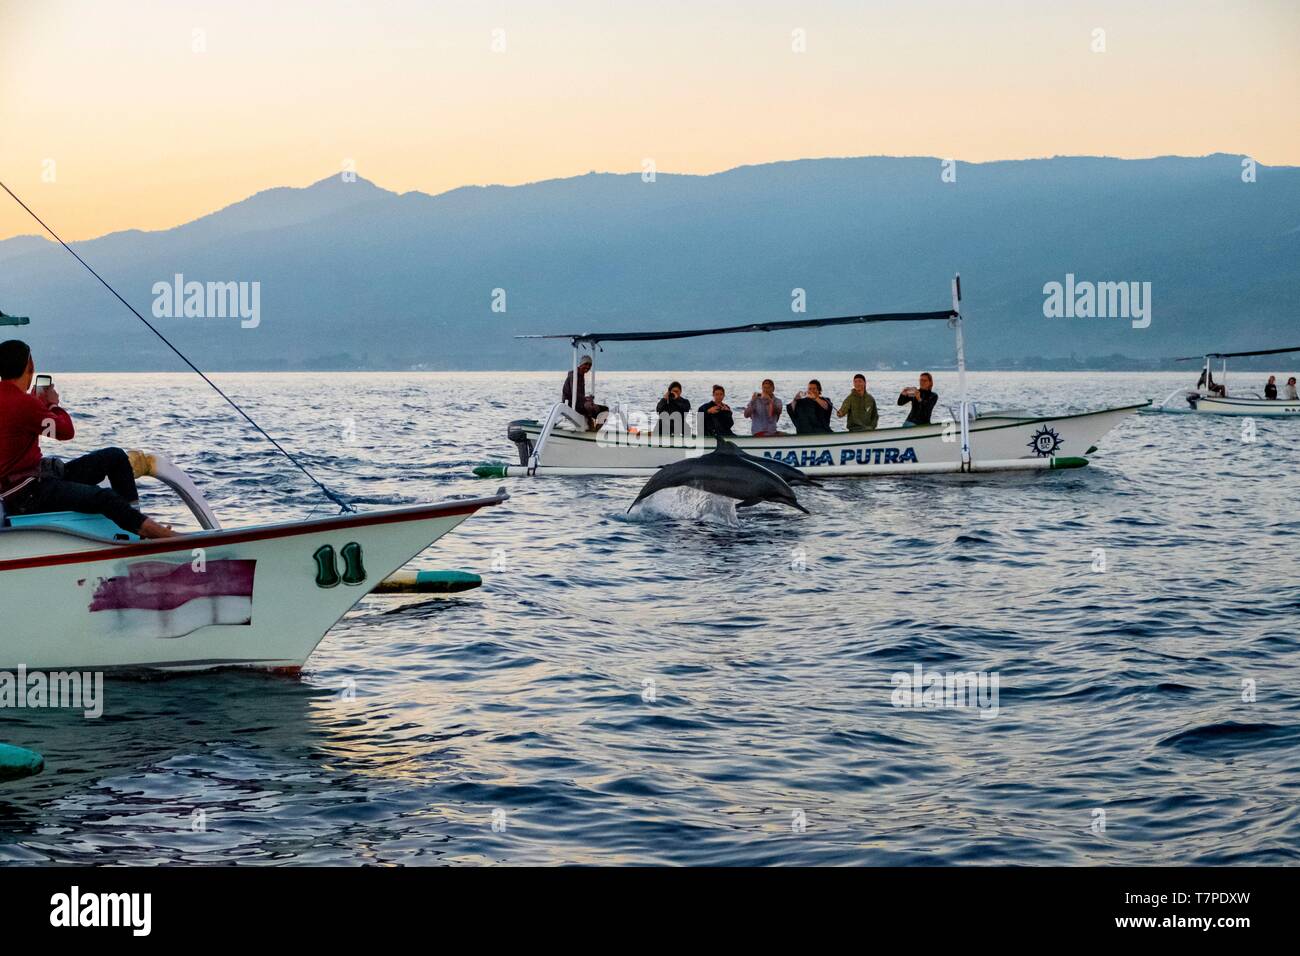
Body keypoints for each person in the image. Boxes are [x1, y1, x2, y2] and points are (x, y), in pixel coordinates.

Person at [0, 340, 177, 538]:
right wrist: (52, 406)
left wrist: (39, 407)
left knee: (115, 457)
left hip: (28, 485)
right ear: (29, 367)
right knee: (104, 498)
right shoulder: (25, 403)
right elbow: (65, 432)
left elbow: (37, 429)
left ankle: (137, 525)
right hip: (28, 493)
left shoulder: (20, 402)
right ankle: (159, 535)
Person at [561, 355, 608, 430]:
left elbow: (578, 395)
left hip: (578, 402)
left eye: (590, 365)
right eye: (586, 364)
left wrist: (587, 399)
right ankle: (593, 430)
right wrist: (587, 399)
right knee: (601, 409)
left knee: (603, 410)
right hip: (571, 404)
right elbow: (575, 394)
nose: (588, 367)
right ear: (581, 364)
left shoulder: (580, 375)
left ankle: (593, 430)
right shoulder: (574, 375)